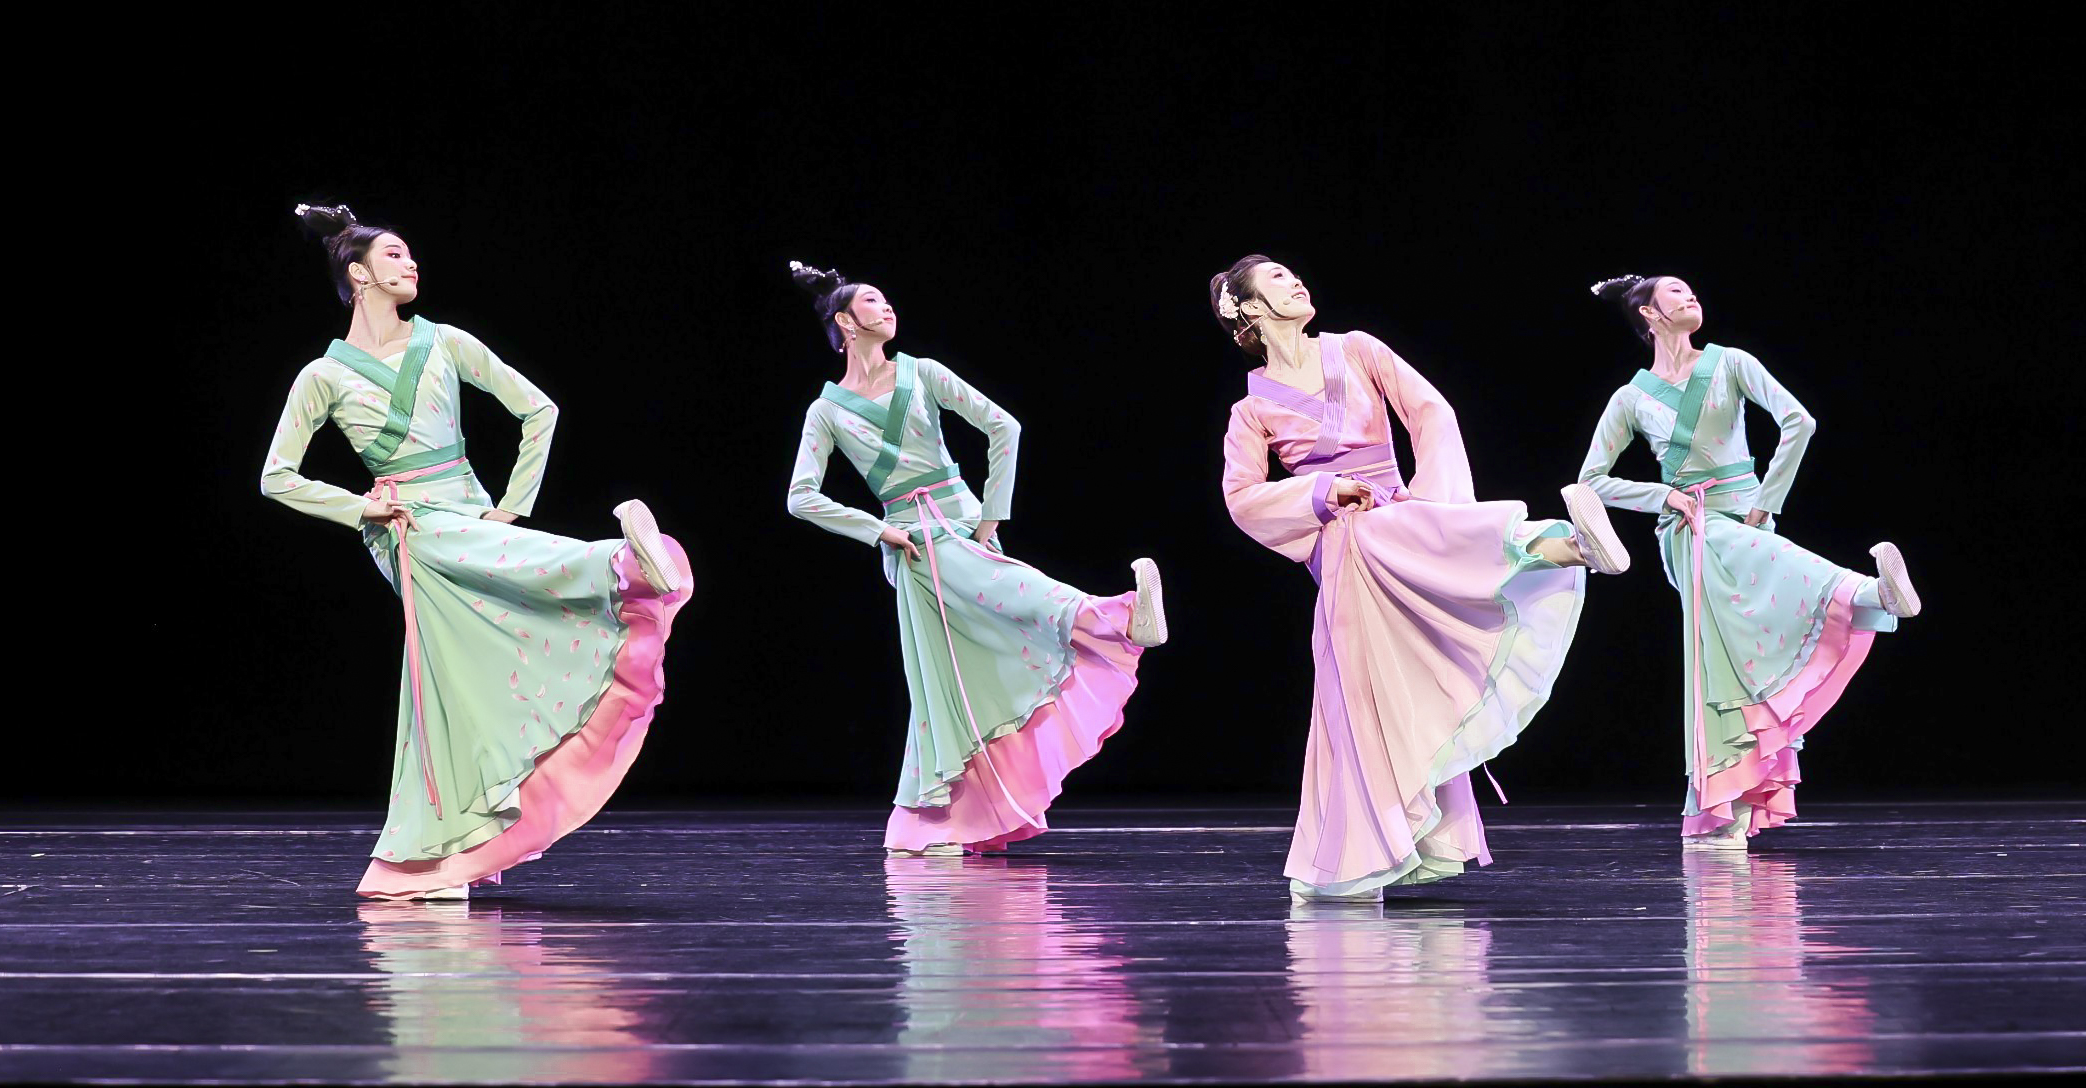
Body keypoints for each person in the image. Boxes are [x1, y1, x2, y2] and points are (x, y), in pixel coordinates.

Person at [262, 203, 693, 899]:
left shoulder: (445, 343)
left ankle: (439, 861)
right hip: (408, 530)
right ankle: (620, 565)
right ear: (358, 275)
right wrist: (362, 507)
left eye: (410, 254)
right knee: (456, 672)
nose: (411, 263)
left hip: (469, 510)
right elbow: (276, 476)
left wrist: (512, 504)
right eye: (394, 254)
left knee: (468, 688)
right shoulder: (324, 376)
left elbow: (539, 410)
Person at [1215, 253, 1625, 901]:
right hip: (1344, 550)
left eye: (1294, 273)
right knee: (1366, 696)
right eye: (1276, 279)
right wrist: (1322, 490)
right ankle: (1555, 544)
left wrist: (1435, 504)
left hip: (1403, 518)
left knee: (1415, 680)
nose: (1295, 280)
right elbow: (1241, 496)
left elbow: (1431, 412)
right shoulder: (1252, 408)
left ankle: (1560, 545)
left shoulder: (1356, 349)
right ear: (1249, 309)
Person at [787, 261, 1161, 855]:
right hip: (913, 547)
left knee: (998, 655)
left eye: (886, 299)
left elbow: (1003, 427)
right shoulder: (826, 411)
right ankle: (938, 821)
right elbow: (801, 497)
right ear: (846, 322)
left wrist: (991, 514)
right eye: (873, 300)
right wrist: (877, 530)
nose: (887, 307)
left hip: (960, 526)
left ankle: (1112, 617)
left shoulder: (923, 372)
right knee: (944, 687)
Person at [1577, 273, 1918, 847]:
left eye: (1692, 289)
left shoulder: (1731, 362)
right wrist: (1663, 496)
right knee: (1714, 657)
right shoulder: (1631, 398)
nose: (1691, 295)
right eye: (1675, 291)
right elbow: (1591, 481)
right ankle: (1866, 593)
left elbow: (1799, 421)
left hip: (1747, 520)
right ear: (1649, 314)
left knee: (1741, 666)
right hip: (1691, 530)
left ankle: (1729, 811)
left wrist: (1768, 500)